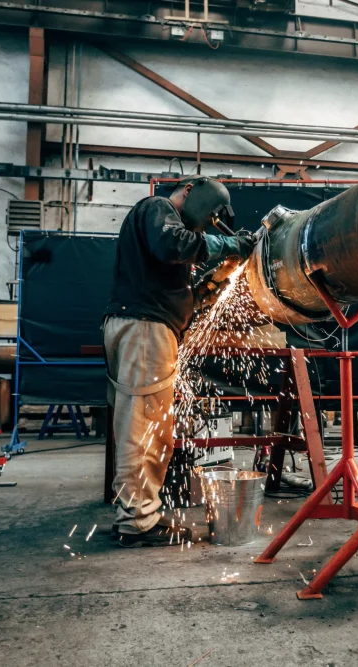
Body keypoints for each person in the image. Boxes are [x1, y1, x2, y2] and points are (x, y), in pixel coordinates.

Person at [103, 176, 254, 548]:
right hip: (144, 331)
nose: (204, 229)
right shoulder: (158, 209)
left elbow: (176, 269)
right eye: (210, 218)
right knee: (141, 430)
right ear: (189, 191)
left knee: (148, 426)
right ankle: (137, 522)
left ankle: (140, 512)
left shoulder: (169, 231)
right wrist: (229, 245)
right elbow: (172, 244)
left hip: (148, 329)